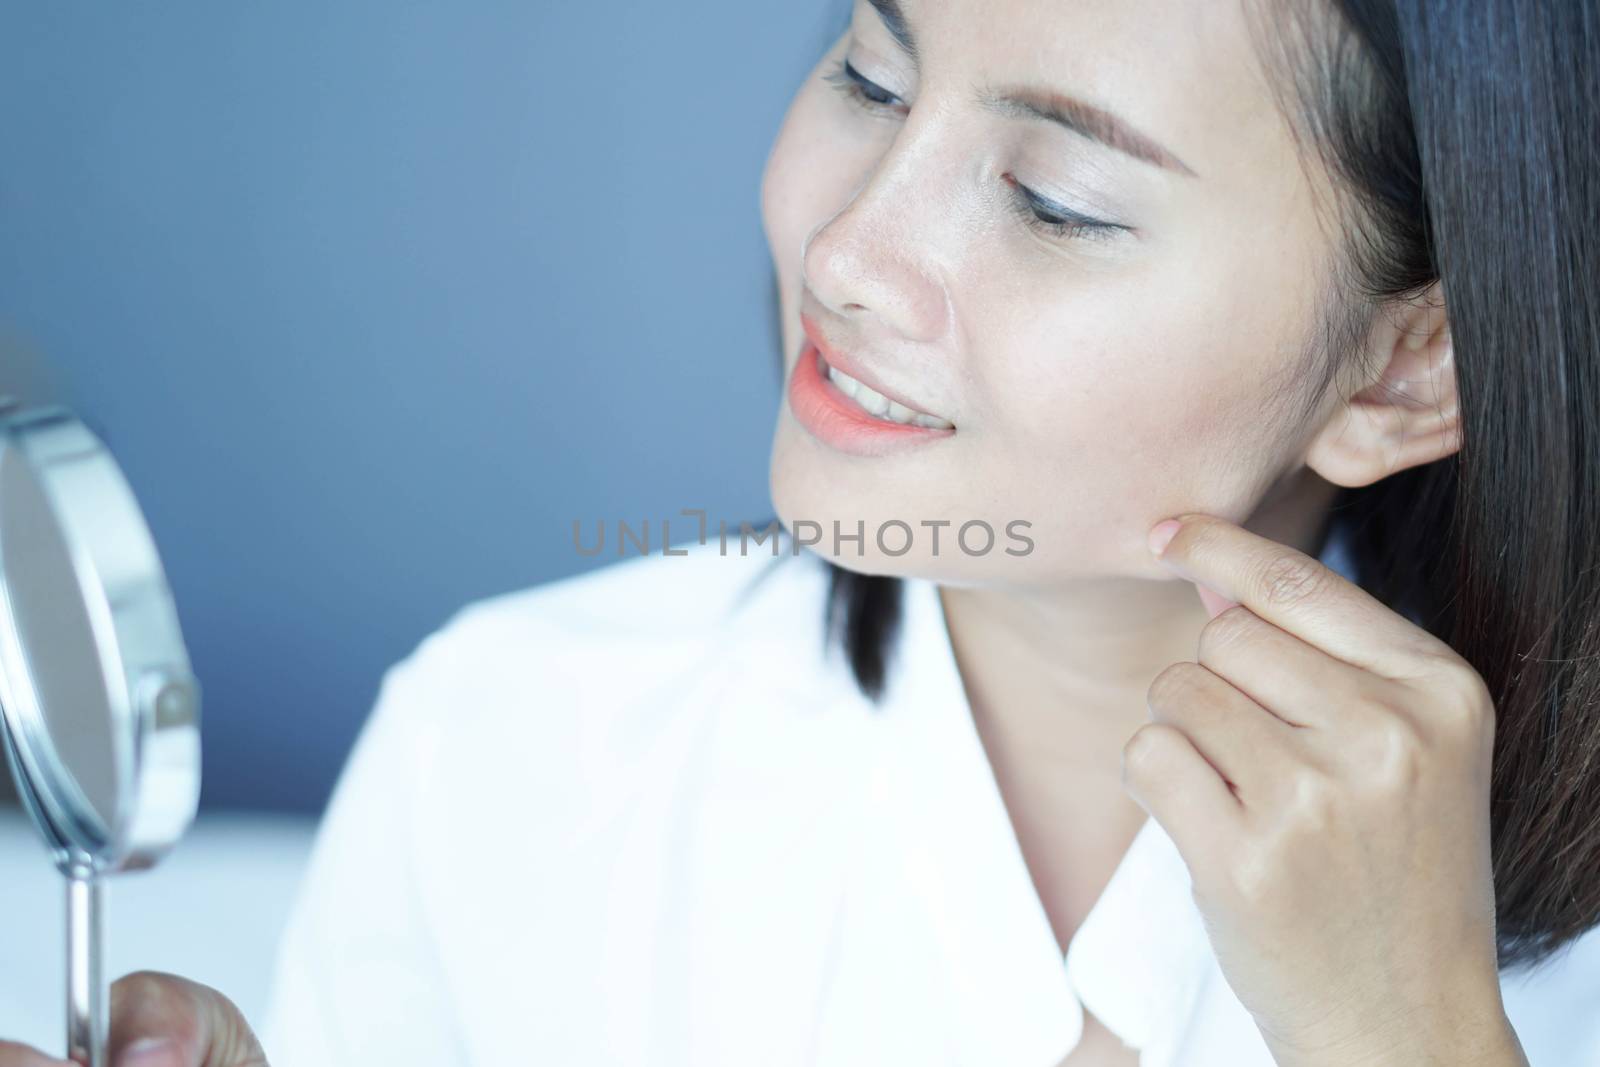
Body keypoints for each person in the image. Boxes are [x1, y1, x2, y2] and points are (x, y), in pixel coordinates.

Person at [7, 0, 1600, 1063]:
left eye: (1054, 198)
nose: (845, 249)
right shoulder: (507, 746)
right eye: (872, 77)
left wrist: (1424, 1039)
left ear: (1407, 371)